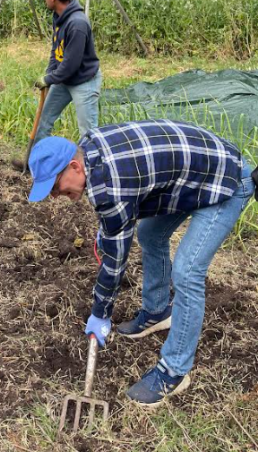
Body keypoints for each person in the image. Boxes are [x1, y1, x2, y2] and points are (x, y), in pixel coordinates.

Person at [27, 119, 255, 407]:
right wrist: (110, 225)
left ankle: (174, 371)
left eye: (55, 187)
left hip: (227, 181)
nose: (56, 196)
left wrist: (101, 311)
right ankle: (158, 311)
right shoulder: (91, 150)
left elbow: (115, 260)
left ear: (75, 167)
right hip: (193, 175)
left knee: (187, 272)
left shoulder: (109, 187)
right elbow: (130, 193)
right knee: (150, 234)